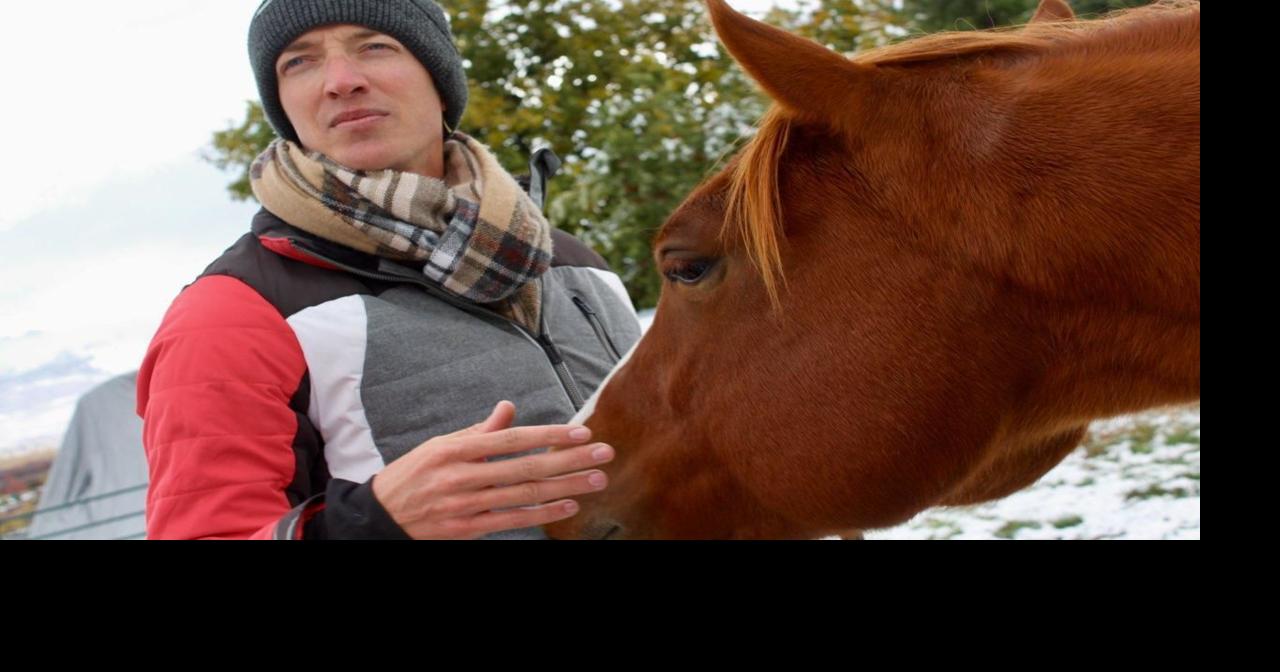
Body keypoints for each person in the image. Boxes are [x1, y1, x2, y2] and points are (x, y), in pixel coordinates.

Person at [136, 0, 642, 539]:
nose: (341, 81)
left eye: (375, 46)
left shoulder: (573, 263)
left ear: (440, 80)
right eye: (299, 62)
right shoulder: (236, 311)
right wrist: (373, 523)